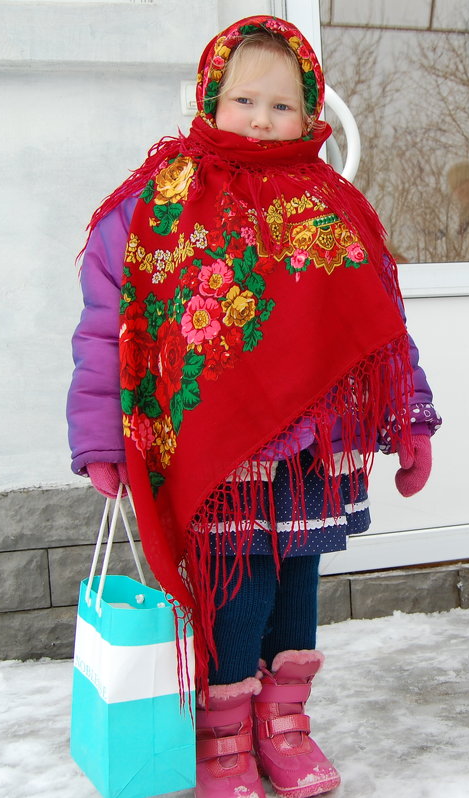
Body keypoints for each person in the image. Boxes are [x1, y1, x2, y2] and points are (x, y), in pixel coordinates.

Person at [67, 16, 440, 798]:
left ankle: (285, 726)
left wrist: (410, 418)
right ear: (209, 99)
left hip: (309, 444)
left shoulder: (333, 205)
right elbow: (112, 326)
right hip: (216, 443)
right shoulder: (155, 204)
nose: (263, 119)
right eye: (244, 101)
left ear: (311, 115)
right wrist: (101, 433)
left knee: (296, 577)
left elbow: (381, 326)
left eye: (282, 105)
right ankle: (224, 737)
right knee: (238, 586)